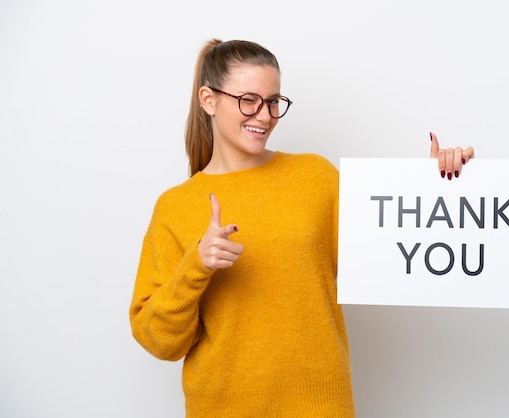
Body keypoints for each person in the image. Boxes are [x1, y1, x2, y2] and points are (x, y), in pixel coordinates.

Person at [129, 39, 474, 418]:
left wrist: (437, 184)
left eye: (274, 101)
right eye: (249, 100)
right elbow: (160, 341)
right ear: (208, 100)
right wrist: (197, 266)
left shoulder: (315, 177)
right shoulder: (174, 207)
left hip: (320, 405)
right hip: (221, 407)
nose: (264, 116)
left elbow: (391, 251)